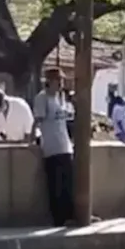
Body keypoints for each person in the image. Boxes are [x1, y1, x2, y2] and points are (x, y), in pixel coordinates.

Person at [33, 68, 75, 227]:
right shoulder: (42, 98)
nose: (61, 84)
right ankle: (58, 217)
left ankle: (69, 214)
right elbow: (38, 120)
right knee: (55, 184)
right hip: (51, 147)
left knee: (67, 183)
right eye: (58, 81)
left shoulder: (60, 98)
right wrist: (31, 139)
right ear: (49, 82)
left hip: (65, 145)